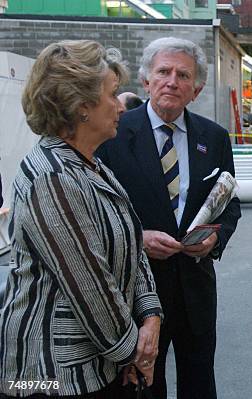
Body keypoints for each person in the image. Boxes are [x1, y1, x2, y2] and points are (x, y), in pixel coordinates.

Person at [0, 40, 162, 398]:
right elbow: (89, 285)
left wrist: (150, 314)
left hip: (97, 366)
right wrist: (135, 352)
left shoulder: (92, 165)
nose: (120, 105)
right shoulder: (53, 177)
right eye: (111, 94)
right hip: (50, 376)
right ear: (81, 106)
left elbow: (132, 246)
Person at [96, 37, 241, 399]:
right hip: (135, 292)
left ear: (197, 89)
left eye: (183, 75)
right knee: (143, 386)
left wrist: (215, 240)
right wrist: (138, 239)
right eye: (163, 72)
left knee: (199, 382)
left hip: (196, 289)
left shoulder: (215, 137)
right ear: (146, 81)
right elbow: (97, 212)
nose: (172, 81)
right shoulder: (112, 134)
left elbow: (229, 204)